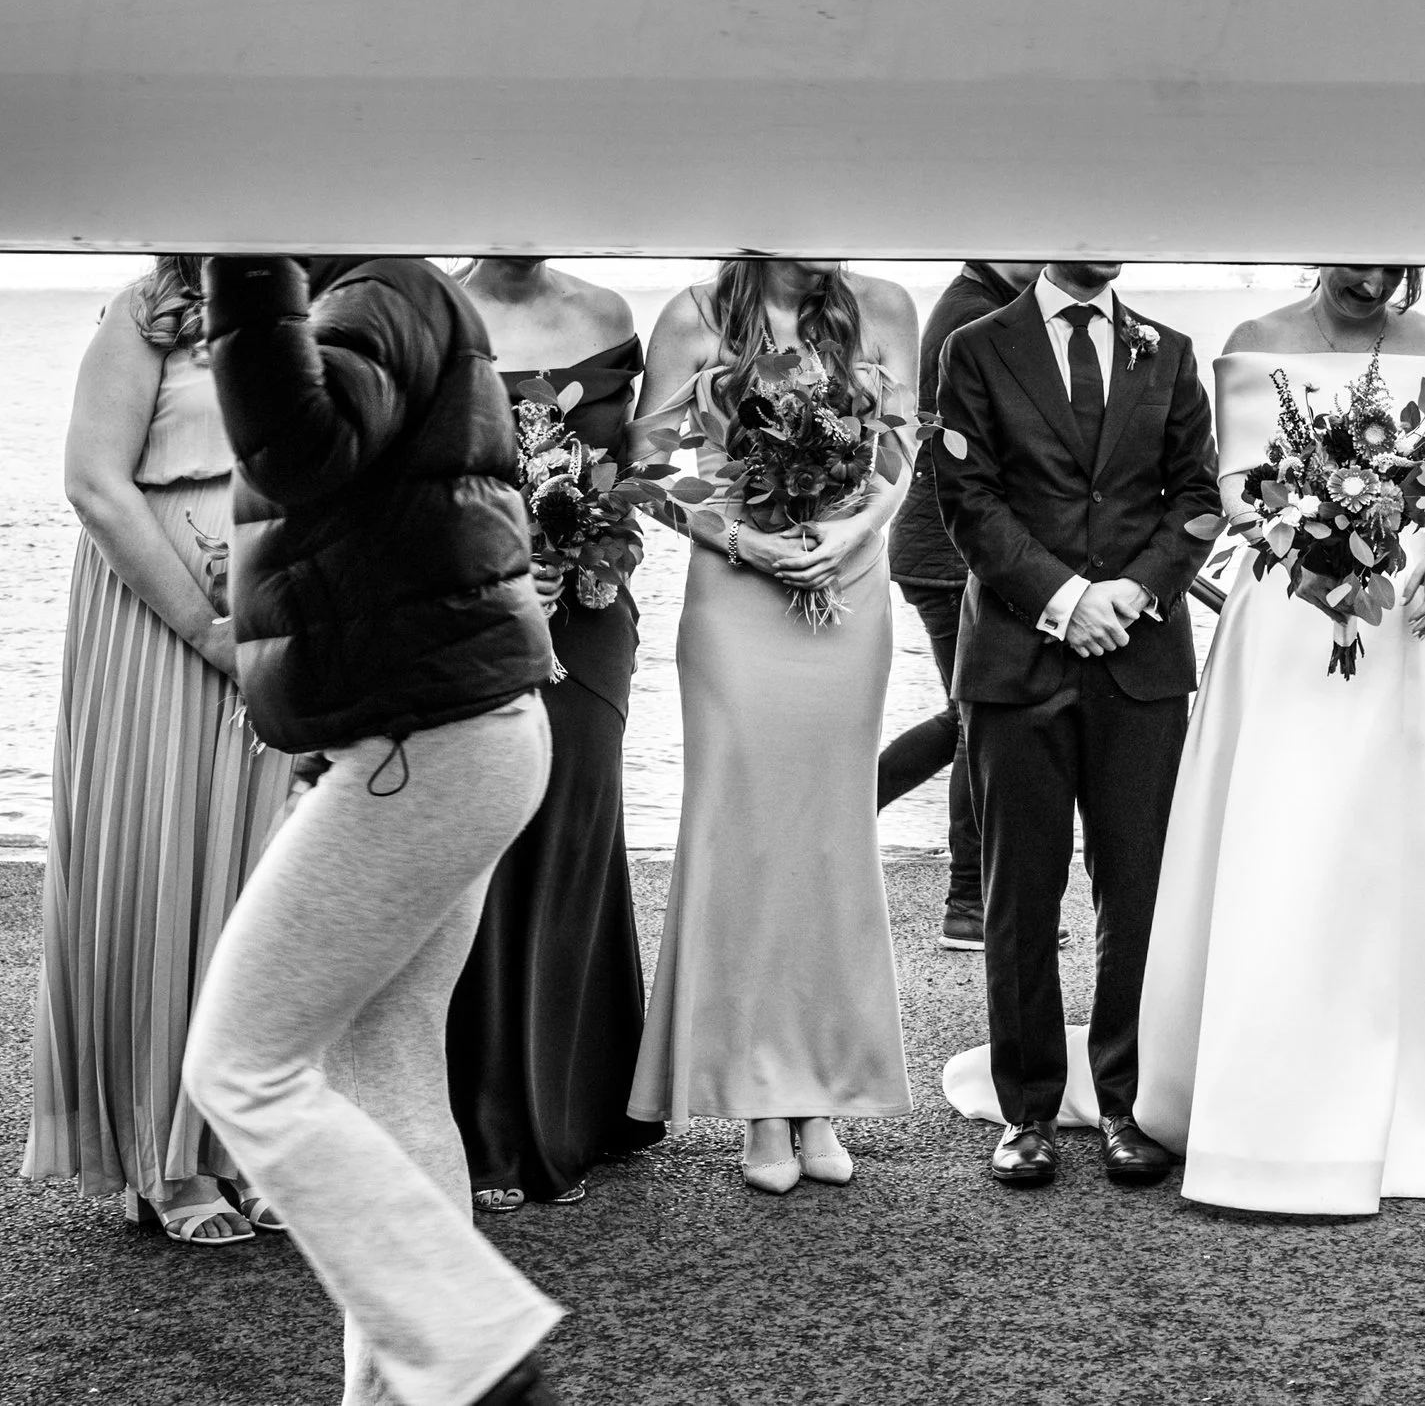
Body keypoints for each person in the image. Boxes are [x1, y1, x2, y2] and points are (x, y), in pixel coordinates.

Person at [182, 254, 562, 1406]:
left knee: (240, 1062)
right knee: (384, 1066)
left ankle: (473, 1348)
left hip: (425, 745)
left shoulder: (380, 292)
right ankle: (406, 1386)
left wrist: (245, 267)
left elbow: (299, 450)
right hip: (446, 736)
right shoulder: (388, 297)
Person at [1131, 265, 1425, 1215]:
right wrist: (1313, 541)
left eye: (1389, 261)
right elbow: (1238, 496)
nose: (1370, 274)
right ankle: (1265, 1099)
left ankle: (1422, 1096)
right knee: (1286, 837)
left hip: (1406, 617)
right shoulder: (1254, 342)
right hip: (1287, 617)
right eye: (1354, 256)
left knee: (1400, 847)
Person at [625, 259, 919, 1193]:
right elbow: (643, 468)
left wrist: (857, 531)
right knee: (746, 835)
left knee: (831, 836)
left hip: (850, 585)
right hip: (736, 589)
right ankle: (758, 1093)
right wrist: (740, 536)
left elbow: (900, 452)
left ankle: (820, 1087)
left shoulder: (885, 305)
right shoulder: (694, 315)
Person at [21, 257, 294, 1246]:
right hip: (156, 622)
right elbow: (93, 484)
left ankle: (242, 1140)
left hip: (281, 617)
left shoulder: (316, 306)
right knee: (163, 865)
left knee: (259, 883)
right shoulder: (144, 313)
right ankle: (164, 1156)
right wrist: (204, 626)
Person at [933, 261, 1221, 1189]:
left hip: (1140, 658)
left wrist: (1135, 591)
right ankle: (1026, 1110)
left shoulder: (1169, 353)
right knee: (1021, 890)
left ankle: (1128, 1102)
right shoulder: (976, 348)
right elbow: (967, 500)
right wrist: (1064, 600)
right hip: (1016, 661)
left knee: (1138, 888)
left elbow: (1199, 499)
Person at [446, 258, 663, 1211]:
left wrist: (595, 554)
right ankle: (487, 1123)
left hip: (587, 620)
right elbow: (400, 488)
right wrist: (499, 569)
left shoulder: (608, 313)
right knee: (484, 843)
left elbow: (638, 484)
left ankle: (575, 1103)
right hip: (466, 619)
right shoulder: (436, 312)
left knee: (576, 834)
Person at [878, 260, 1043, 950]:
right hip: (952, 552)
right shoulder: (973, 314)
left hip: (946, 547)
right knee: (981, 717)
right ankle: (970, 902)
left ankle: (841, 814)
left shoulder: (988, 302)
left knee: (971, 715)